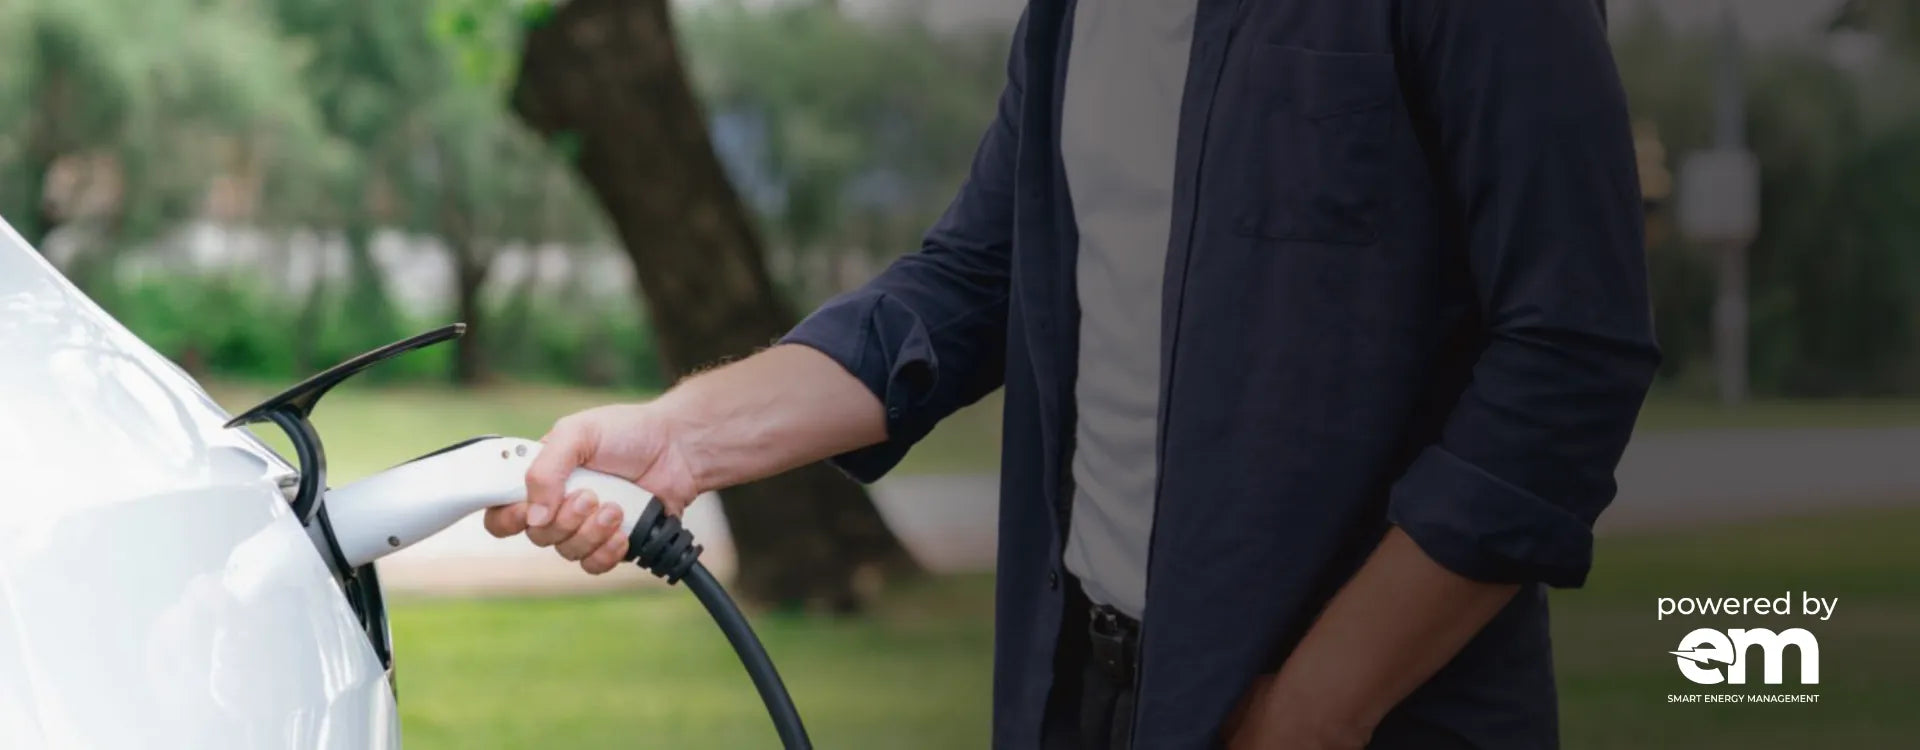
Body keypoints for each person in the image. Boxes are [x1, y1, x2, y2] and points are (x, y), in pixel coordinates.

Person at [482, 0, 1656, 747]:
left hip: (1367, 712)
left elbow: (1570, 354)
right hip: (1083, 693)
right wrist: (681, 438)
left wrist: (1313, 710)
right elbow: (975, 280)